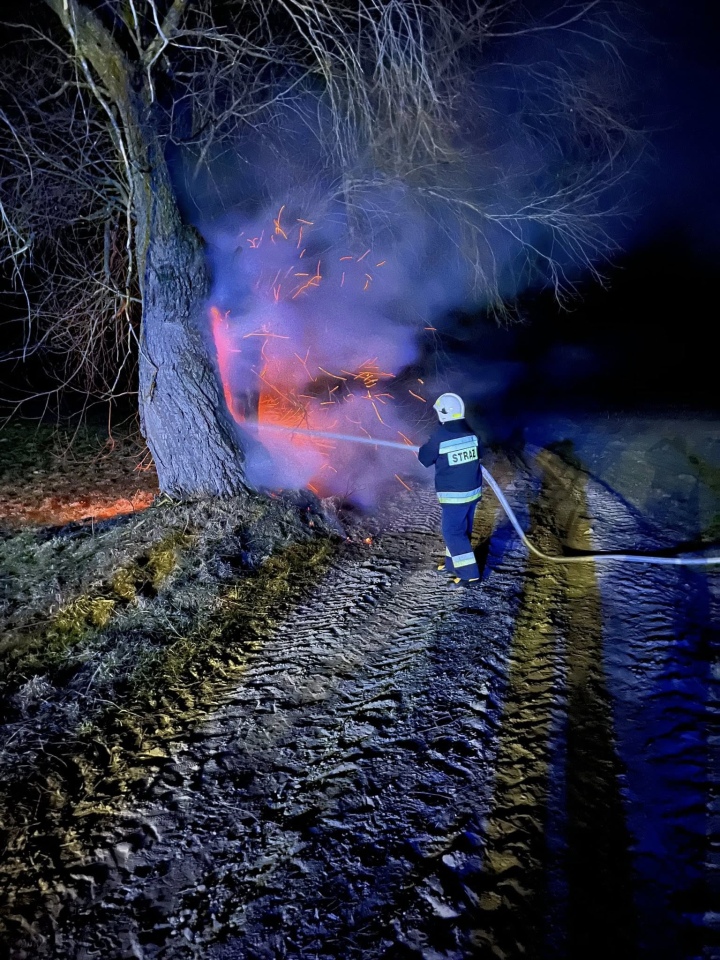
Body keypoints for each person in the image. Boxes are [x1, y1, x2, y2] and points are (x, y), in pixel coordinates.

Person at [418, 393, 481, 587]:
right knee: (461, 529)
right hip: (472, 492)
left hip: (455, 496)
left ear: (444, 414)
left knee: (452, 531)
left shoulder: (441, 437)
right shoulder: (471, 433)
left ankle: (469, 573)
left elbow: (424, 459)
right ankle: (453, 563)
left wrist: (429, 444)